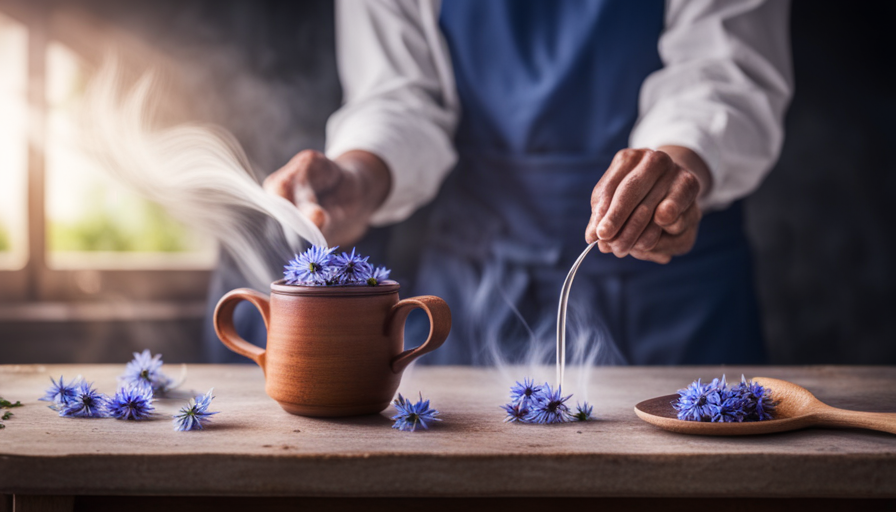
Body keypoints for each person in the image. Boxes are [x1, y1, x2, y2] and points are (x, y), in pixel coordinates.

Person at [231, 0, 793, 365]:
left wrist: (670, 171)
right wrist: (361, 174)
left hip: (671, 285)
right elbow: (399, 94)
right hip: (476, 274)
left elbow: (725, 73)